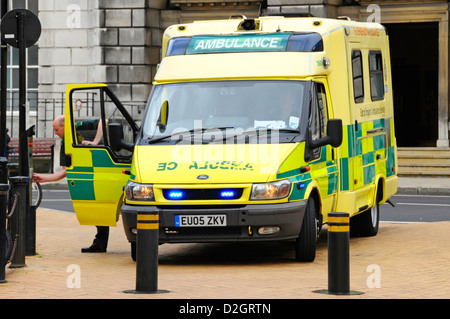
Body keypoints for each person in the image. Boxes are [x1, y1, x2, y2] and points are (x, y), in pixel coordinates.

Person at [33, 115, 109, 253]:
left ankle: (101, 242)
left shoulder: (79, 127)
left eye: (56, 130)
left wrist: (95, 142)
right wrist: (44, 178)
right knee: (97, 208)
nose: (55, 133)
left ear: (64, 126)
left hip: (105, 169)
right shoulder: (64, 144)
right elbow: (64, 171)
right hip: (88, 175)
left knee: (104, 207)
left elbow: (104, 121)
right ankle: (100, 243)